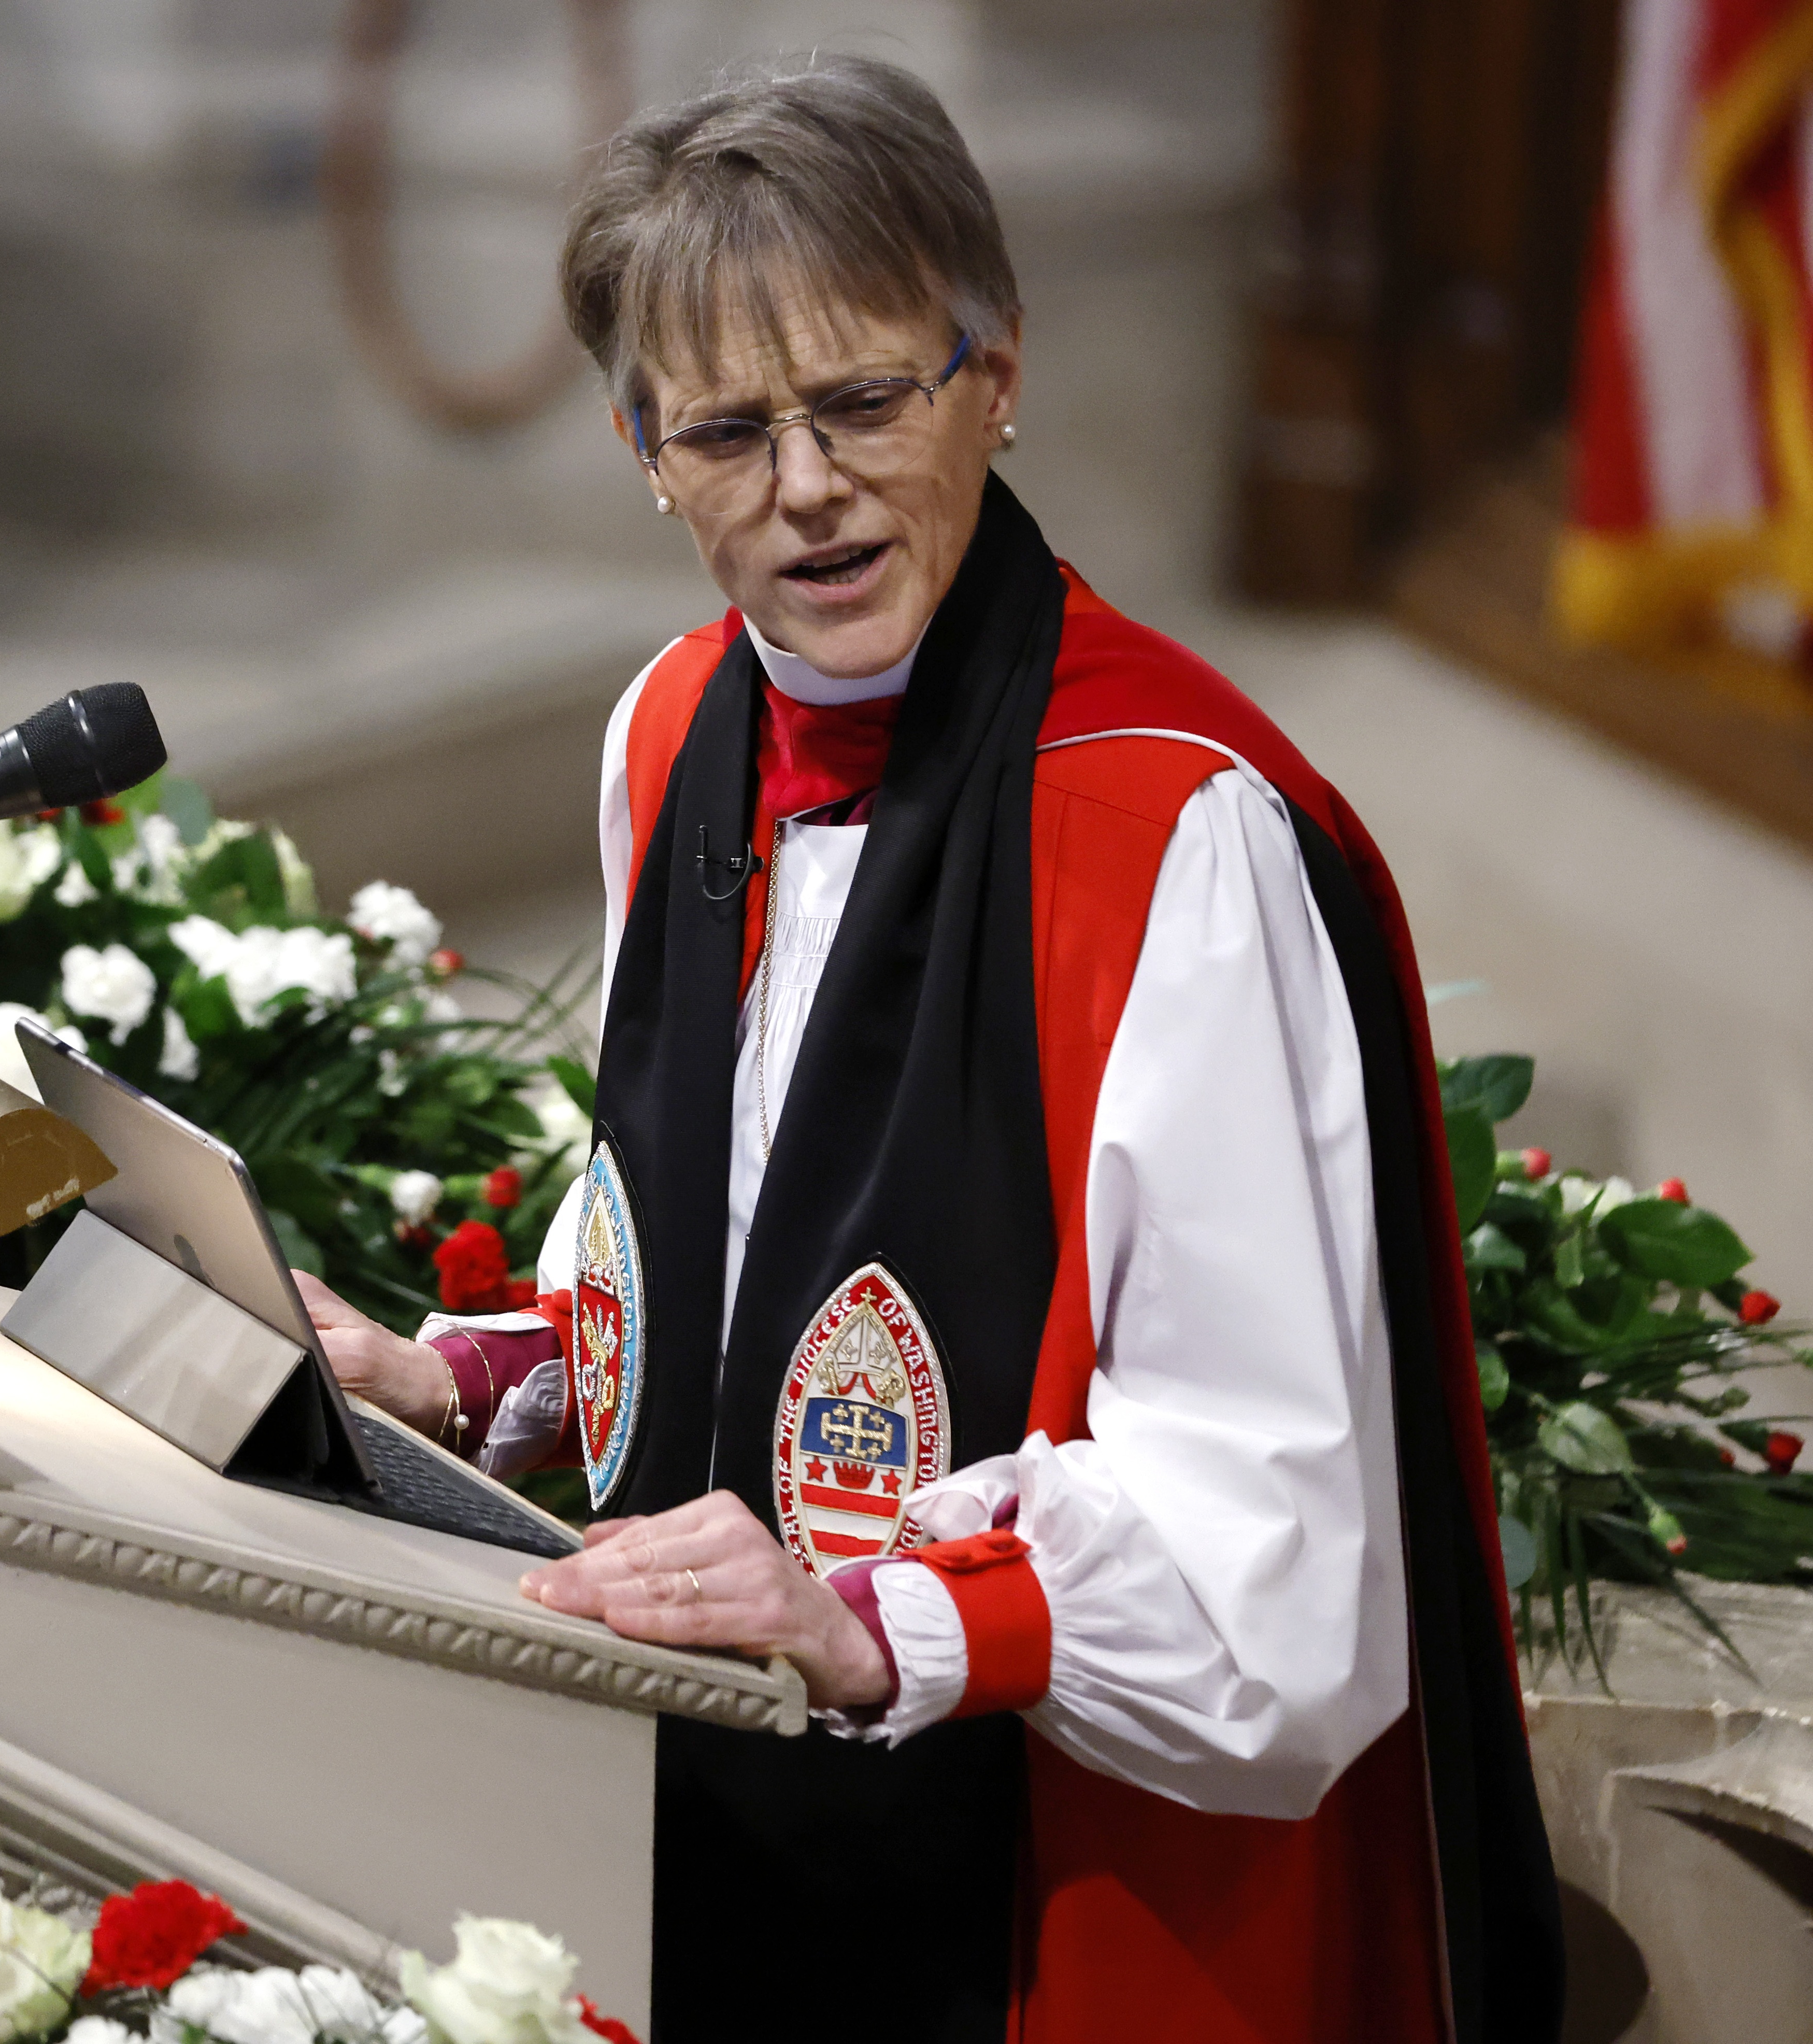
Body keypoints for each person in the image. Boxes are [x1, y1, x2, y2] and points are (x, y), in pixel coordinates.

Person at [295, 52, 1563, 2044]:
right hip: (684, 1816)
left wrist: (871, 1624)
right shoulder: (671, 728)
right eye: (725, 428)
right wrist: (461, 1378)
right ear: (644, 450)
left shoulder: (1174, 833)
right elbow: (723, 1258)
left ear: (999, 373)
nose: (804, 488)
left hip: (1044, 1886)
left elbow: (1277, 1544)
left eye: (866, 400)